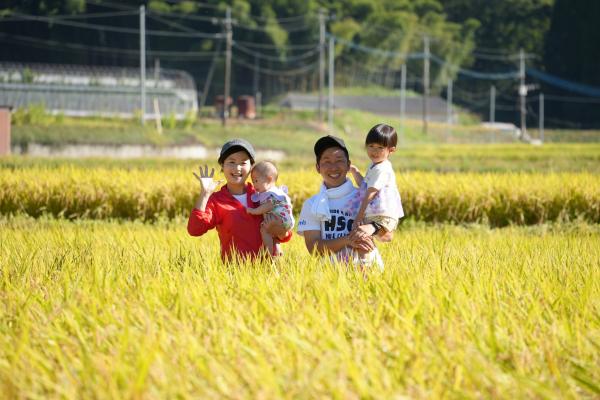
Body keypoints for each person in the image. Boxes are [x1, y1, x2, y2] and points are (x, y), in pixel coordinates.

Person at [187, 138, 292, 261]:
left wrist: (281, 232)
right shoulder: (217, 201)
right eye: (231, 162)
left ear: (251, 167)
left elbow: (286, 231)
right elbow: (195, 230)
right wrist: (205, 194)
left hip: (271, 271)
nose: (237, 168)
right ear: (222, 166)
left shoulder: (264, 195)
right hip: (236, 274)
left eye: (243, 163)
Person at [297, 135, 392, 271]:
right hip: (330, 280)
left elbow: (388, 236)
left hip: (369, 274)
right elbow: (314, 249)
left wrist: (371, 228)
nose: (333, 167)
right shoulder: (311, 204)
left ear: (348, 165)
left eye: (339, 160)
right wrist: (348, 240)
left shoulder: (365, 197)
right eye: (327, 161)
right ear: (318, 167)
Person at [349, 123, 404, 263]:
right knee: (362, 235)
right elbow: (364, 186)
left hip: (382, 216)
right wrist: (355, 172)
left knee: (360, 232)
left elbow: (370, 193)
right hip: (376, 215)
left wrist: (358, 217)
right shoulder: (375, 166)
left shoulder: (382, 169)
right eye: (371, 146)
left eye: (380, 148)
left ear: (391, 150)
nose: (374, 151)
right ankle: (367, 260)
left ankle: (365, 266)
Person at [246, 160, 295, 257]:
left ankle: (268, 251)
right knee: (269, 232)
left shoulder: (269, 194)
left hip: (280, 219)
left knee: (264, 229)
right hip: (286, 220)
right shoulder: (276, 191)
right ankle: (274, 251)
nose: (254, 185)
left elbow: (267, 206)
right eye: (253, 181)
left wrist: (254, 211)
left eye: (256, 181)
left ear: (268, 179)